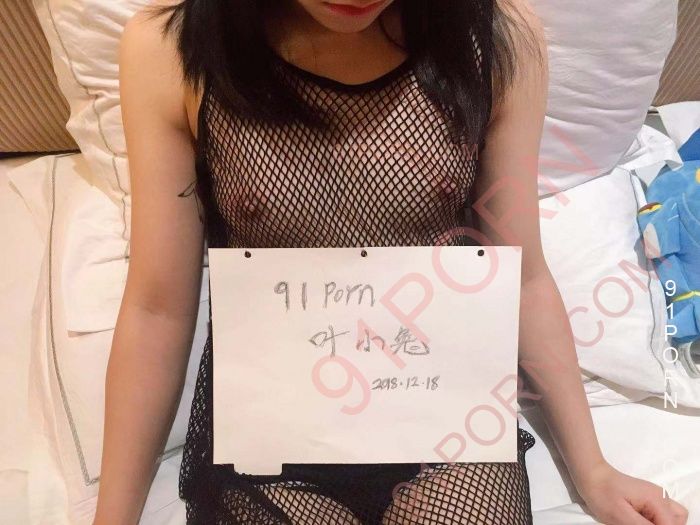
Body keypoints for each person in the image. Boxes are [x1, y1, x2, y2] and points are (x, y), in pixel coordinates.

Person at [94, 0, 690, 524]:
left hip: (438, 399)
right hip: (273, 418)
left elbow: (521, 274)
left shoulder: (497, 38)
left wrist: (593, 469)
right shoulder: (171, 50)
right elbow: (157, 308)